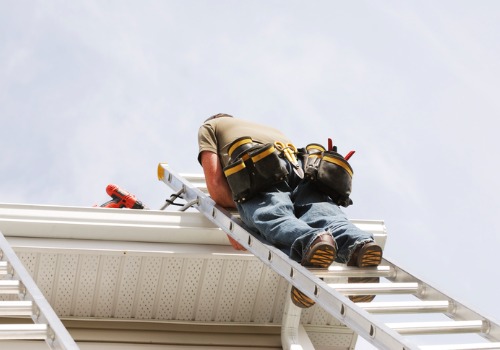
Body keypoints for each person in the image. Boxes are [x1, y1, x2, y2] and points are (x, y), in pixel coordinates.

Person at [197, 113, 382, 308]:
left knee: (274, 217)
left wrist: (243, 211)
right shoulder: (269, 129)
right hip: (305, 167)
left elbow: (216, 185)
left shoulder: (210, 126)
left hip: (260, 167)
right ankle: (359, 245)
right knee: (325, 216)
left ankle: (310, 244)